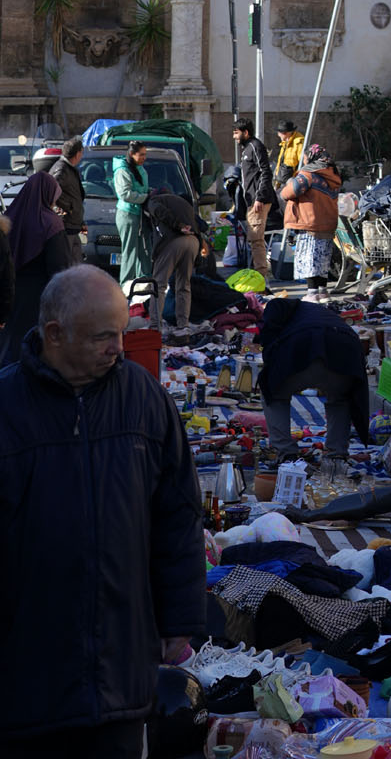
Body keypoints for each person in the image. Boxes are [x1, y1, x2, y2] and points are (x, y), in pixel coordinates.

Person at [0, 265, 205, 756]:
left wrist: (180, 621)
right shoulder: (7, 406)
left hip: (121, 669)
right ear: (54, 334)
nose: (118, 346)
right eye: (103, 337)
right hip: (27, 672)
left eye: (121, 332)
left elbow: (178, 515)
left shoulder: (143, 398)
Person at [258, 295, 370, 460]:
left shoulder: (277, 309)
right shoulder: (314, 312)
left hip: (304, 346)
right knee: (340, 399)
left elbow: (269, 337)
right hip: (346, 351)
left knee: (273, 392)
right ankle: (336, 453)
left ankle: (285, 451)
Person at [0, 171, 73, 366]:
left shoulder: (10, 216)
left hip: (11, 296)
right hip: (40, 298)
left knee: (10, 347)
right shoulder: (51, 223)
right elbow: (60, 268)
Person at [280, 144, 342, 300]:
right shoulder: (333, 175)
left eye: (305, 156)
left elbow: (288, 193)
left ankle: (312, 294)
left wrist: (287, 180)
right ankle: (323, 292)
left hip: (309, 224)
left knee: (310, 259)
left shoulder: (308, 175)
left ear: (311, 156)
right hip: (327, 225)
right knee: (322, 260)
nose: (304, 159)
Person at [148, 187, 201, 336]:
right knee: (184, 285)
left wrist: (178, 226)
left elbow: (159, 211)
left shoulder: (154, 200)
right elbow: (199, 224)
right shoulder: (183, 202)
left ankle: (154, 326)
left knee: (158, 285)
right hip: (193, 242)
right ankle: (183, 325)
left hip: (174, 241)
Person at [233, 117, 276, 277]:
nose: (234, 137)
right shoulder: (247, 149)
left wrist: (259, 197)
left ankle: (261, 278)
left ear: (246, 132)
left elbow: (266, 172)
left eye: (236, 133)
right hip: (251, 201)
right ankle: (257, 275)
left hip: (258, 202)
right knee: (253, 239)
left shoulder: (255, 146)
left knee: (256, 239)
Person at [113, 140, 151, 290]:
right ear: (131, 154)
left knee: (144, 250)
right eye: (141, 155)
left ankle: (145, 282)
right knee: (130, 251)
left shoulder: (138, 167)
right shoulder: (122, 171)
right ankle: (126, 286)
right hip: (128, 215)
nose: (144, 157)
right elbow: (125, 194)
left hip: (140, 214)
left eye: (145, 154)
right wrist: (145, 197)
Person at [51, 134, 86, 262]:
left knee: (76, 265)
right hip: (66, 224)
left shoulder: (68, 168)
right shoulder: (62, 169)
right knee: (67, 264)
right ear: (77, 154)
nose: (81, 156)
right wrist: (66, 208)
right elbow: (51, 191)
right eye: (81, 153)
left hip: (73, 224)